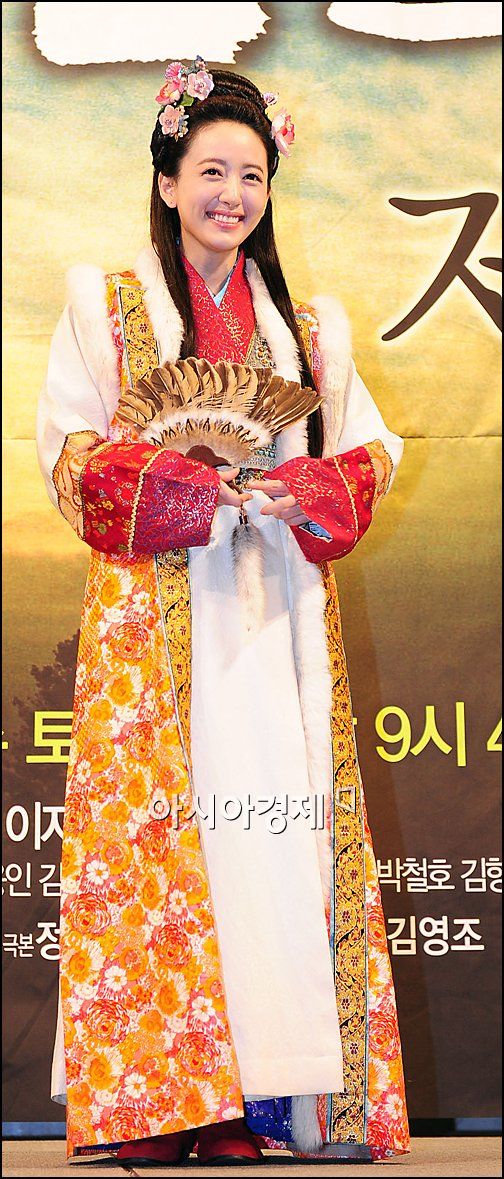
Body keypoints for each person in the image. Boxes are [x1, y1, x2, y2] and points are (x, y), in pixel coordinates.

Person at [37, 60, 410, 1166]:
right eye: (210, 171)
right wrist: (188, 488)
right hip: (155, 619)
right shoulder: (107, 309)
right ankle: (161, 1104)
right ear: (166, 180)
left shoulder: (307, 327)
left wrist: (306, 489)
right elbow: (69, 454)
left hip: (274, 615)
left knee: (271, 847)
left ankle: (262, 1099)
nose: (231, 195)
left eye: (251, 175)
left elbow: (371, 450)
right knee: (162, 845)